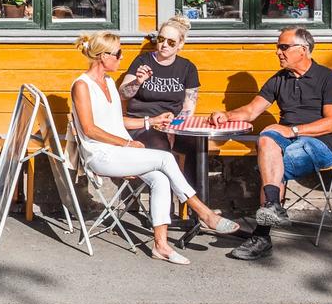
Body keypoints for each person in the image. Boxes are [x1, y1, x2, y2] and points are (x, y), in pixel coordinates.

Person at [70, 31, 239, 265]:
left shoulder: (108, 82)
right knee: (164, 159)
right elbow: (89, 129)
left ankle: (161, 245)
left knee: (160, 178)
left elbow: (118, 122)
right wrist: (128, 143)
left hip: (121, 152)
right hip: (101, 154)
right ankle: (204, 212)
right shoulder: (82, 86)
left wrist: (152, 121)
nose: (122, 58)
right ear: (102, 56)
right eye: (118, 53)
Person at [212, 26, 332, 261]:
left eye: (283, 47)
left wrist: (291, 130)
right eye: (278, 47)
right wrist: (227, 114)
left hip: (320, 145)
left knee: (274, 162)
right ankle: (273, 205)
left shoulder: (329, 78)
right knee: (266, 138)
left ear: (303, 50)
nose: (278, 52)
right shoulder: (278, 80)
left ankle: (262, 237)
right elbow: (252, 110)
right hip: (287, 143)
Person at [119, 14, 201, 186]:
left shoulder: (187, 68)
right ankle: (166, 207)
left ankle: (193, 204)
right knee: (159, 144)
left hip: (173, 125)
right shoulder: (143, 61)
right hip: (142, 125)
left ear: (180, 44)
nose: (164, 45)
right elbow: (123, 94)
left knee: (196, 146)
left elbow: (188, 107)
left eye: (171, 42)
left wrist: (173, 129)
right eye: (161, 39)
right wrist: (138, 81)